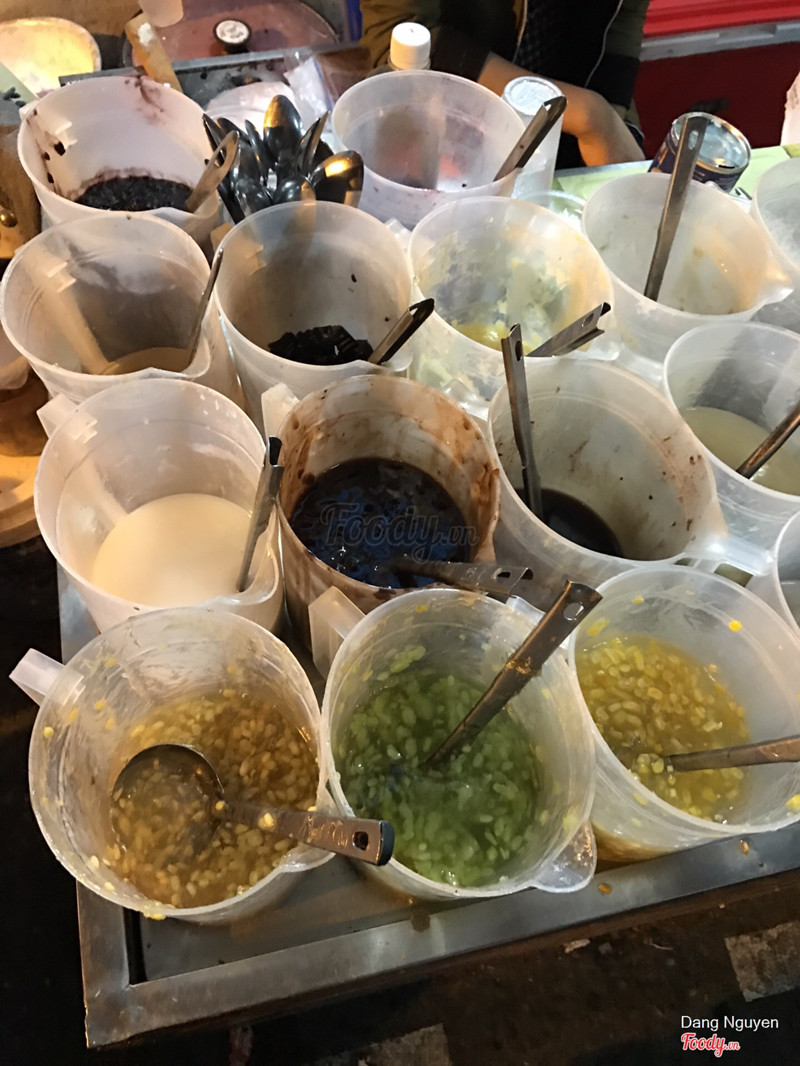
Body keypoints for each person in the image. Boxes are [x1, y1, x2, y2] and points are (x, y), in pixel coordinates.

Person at [360, 0, 652, 167]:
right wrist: (585, 113)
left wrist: (612, 117)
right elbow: (397, 35)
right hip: (448, 117)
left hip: (577, 117)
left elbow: (624, 16)